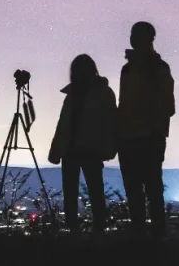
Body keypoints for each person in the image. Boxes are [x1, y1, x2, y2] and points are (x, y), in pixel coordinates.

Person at [116, 21, 175, 239]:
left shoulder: (157, 68)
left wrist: (152, 128)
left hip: (147, 137)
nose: (132, 38)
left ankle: (154, 237)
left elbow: (167, 105)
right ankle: (141, 236)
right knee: (137, 190)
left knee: (150, 189)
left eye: (136, 35)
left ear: (148, 38)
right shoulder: (128, 68)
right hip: (130, 137)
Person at [48, 54, 117, 234]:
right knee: (79, 191)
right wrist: (56, 149)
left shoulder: (100, 93)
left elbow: (110, 122)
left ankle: (95, 229)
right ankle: (78, 229)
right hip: (74, 149)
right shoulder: (77, 94)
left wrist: (108, 147)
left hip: (89, 149)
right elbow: (63, 124)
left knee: (92, 190)